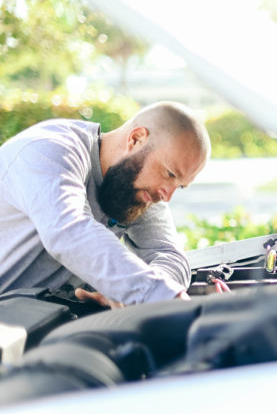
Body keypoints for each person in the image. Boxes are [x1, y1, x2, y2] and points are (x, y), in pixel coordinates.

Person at [0, 101, 210, 307]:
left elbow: (169, 255)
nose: (167, 196)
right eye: (170, 173)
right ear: (136, 139)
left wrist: (135, 298)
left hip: (38, 323)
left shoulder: (138, 187)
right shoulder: (48, 151)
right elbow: (70, 233)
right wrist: (154, 293)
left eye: (180, 186)